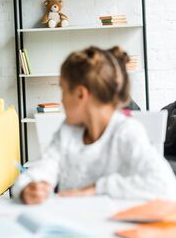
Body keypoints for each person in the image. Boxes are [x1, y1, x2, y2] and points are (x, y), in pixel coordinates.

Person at [12, 46, 176, 204]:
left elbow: (166, 185)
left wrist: (96, 189)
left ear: (80, 94)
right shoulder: (67, 132)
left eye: (63, 90)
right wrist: (28, 187)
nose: (61, 100)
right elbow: (44, 167)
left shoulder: (126, 132)